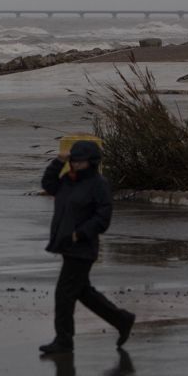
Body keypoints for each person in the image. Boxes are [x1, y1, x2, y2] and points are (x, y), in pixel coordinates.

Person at [39, 140, 135, 354]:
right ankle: (122, 320)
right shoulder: (68, 180)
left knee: (64, 295)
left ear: (91, 162)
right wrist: (58, 162)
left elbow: (103, 217)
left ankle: (64, 341)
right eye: (73, 160)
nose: (75, 164)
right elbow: (48, 184)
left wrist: (80, 233)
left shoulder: (98, 184)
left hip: (82, 248)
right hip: (67, 246)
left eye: (80, 161)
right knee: (83, 292)